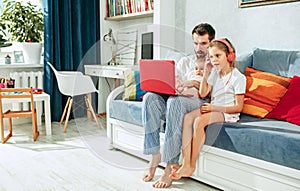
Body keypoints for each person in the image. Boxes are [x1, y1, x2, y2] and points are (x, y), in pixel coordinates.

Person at [142, 23, 216, 188]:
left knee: (175, 103)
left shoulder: (216, 62)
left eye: (203, 43)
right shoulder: (185, 61)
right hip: (178, 96)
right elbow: (175, 84)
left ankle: (169, 166)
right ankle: (154, 155)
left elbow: (211, 92)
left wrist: (194, 81)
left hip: (199, 102)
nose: (199, 47)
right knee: (149, 98)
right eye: (196, 43)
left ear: (211, 42)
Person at [169, 38, 246, 180]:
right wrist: (206, 72)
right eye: (211, 57)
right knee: (187, 118)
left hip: (228, 113)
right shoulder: (215, 74)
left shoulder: (238, 77)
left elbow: (238, 107)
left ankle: (191, 166)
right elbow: (203, 93)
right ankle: (185, 162)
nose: (214, 60)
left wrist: (214, 107)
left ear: (229, 56)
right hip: (213, 108)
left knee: (199, 121)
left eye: (218, 56)